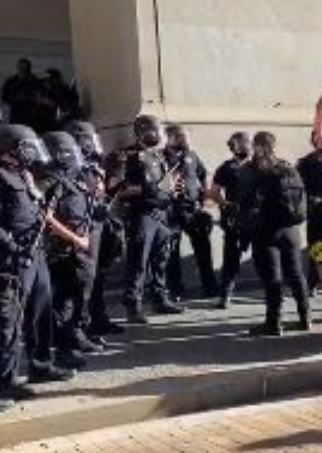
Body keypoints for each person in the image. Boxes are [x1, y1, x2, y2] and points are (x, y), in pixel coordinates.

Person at [0, 124, 77, 412]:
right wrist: (11, 247)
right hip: (11, 260)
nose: (32, 151)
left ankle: (41, 365)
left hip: (36, 255)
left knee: (41, 311)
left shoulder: (25, 174)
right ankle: (4, 383)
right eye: (27, 146)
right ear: (11, 147)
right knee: (9, 323)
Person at [113, 114, 184, 324]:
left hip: (162, 213)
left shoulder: (161, 156)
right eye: (158, 130)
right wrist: (147, 189)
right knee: (138, 262)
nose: (162, 135)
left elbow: (168, 183)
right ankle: (133, 305)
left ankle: (159, 298)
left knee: (161, 260)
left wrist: (172, 190)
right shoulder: (128, 156)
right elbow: (117, 188)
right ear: (146, 132)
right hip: (141, 214)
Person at [40, 131, 99, 367]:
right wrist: (74, 238)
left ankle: (74, 336)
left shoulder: (73, 177)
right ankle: (63, 350)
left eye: (69, 150)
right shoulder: (48, 180)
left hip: (78, 246)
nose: (69, 155)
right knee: (62, 302)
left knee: (78, 296)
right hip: (60, 249)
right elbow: (46, 218)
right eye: (63, 151)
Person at [64, 121, 124, 341]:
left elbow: (101, 194)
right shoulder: (70, 165)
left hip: (98, 224)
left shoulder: (92, 163)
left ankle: (98, 320)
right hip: (81, 229)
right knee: (83, 280)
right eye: (91, 138)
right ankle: (79, 327)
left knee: (96, 277)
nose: (95, 142)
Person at [248, 132, 310, 337]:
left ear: (259, 146)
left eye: (254, 145)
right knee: (296, 274)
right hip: (292, 230)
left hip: (268, 231)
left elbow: (247, 199)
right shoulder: (288, 167)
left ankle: (273, 323)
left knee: (272, 278)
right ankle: (305, 317)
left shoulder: (257, 170)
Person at [163, 125, 216, 301]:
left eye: (186, 136)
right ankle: (175, 289)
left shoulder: (191, 156)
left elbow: (203, 173)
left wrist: (205, 195)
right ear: (170, 138)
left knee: (203, 248)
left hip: (193, 209)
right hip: (172, 211)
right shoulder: (163, 156)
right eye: (180, 136)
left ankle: (210, 286)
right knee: (172, 252)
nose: (185, 140)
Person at [210, 132, 255, 309]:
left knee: (263, 257)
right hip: (235, 219)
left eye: (248, 143)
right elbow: (213, 191)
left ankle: (271, 292)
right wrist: (225, 204)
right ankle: (225, 295)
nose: (246, 146)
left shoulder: (257, 165)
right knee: (231, 260)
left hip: (255, 218)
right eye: (244, 143)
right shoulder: (226, 167)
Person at [296, 132, 322, 294]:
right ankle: (313, 282)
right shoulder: (305, 162)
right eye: (319, 138)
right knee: (315, 247)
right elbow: (298, 187)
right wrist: (310, 199)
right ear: (313, 140)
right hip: (314, 211)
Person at [1, 59, 43, 130]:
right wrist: (15, 98)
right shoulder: (11, 81)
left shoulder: (36, 81)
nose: (22, 71)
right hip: (15, 116)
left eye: (24, 69)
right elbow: (4, 98)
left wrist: (28, 98)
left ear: (29, 69)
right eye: (20, 68)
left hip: (31, 117)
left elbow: (40, 99)